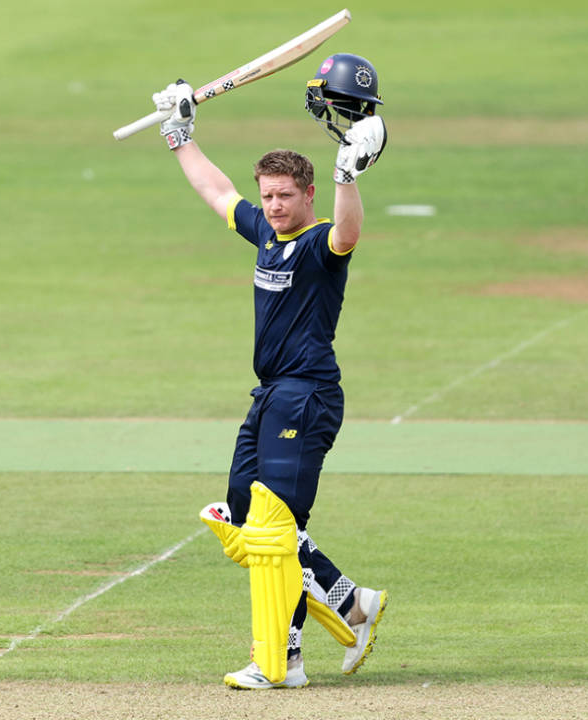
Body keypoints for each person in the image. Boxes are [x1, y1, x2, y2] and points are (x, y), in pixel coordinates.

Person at [150, 54, 389, 690]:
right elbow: (215, 191)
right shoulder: (266, 235)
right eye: (270, 197)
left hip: (307, 395)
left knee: (275, 528)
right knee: (241, 510)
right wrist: (180, 133)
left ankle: (279, 662)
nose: (275, 206)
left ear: (307, 195)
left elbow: (350, 229)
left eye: (286, 197)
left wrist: (347, 173)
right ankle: (349, 601)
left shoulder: (318, 242)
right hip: (270, 395)